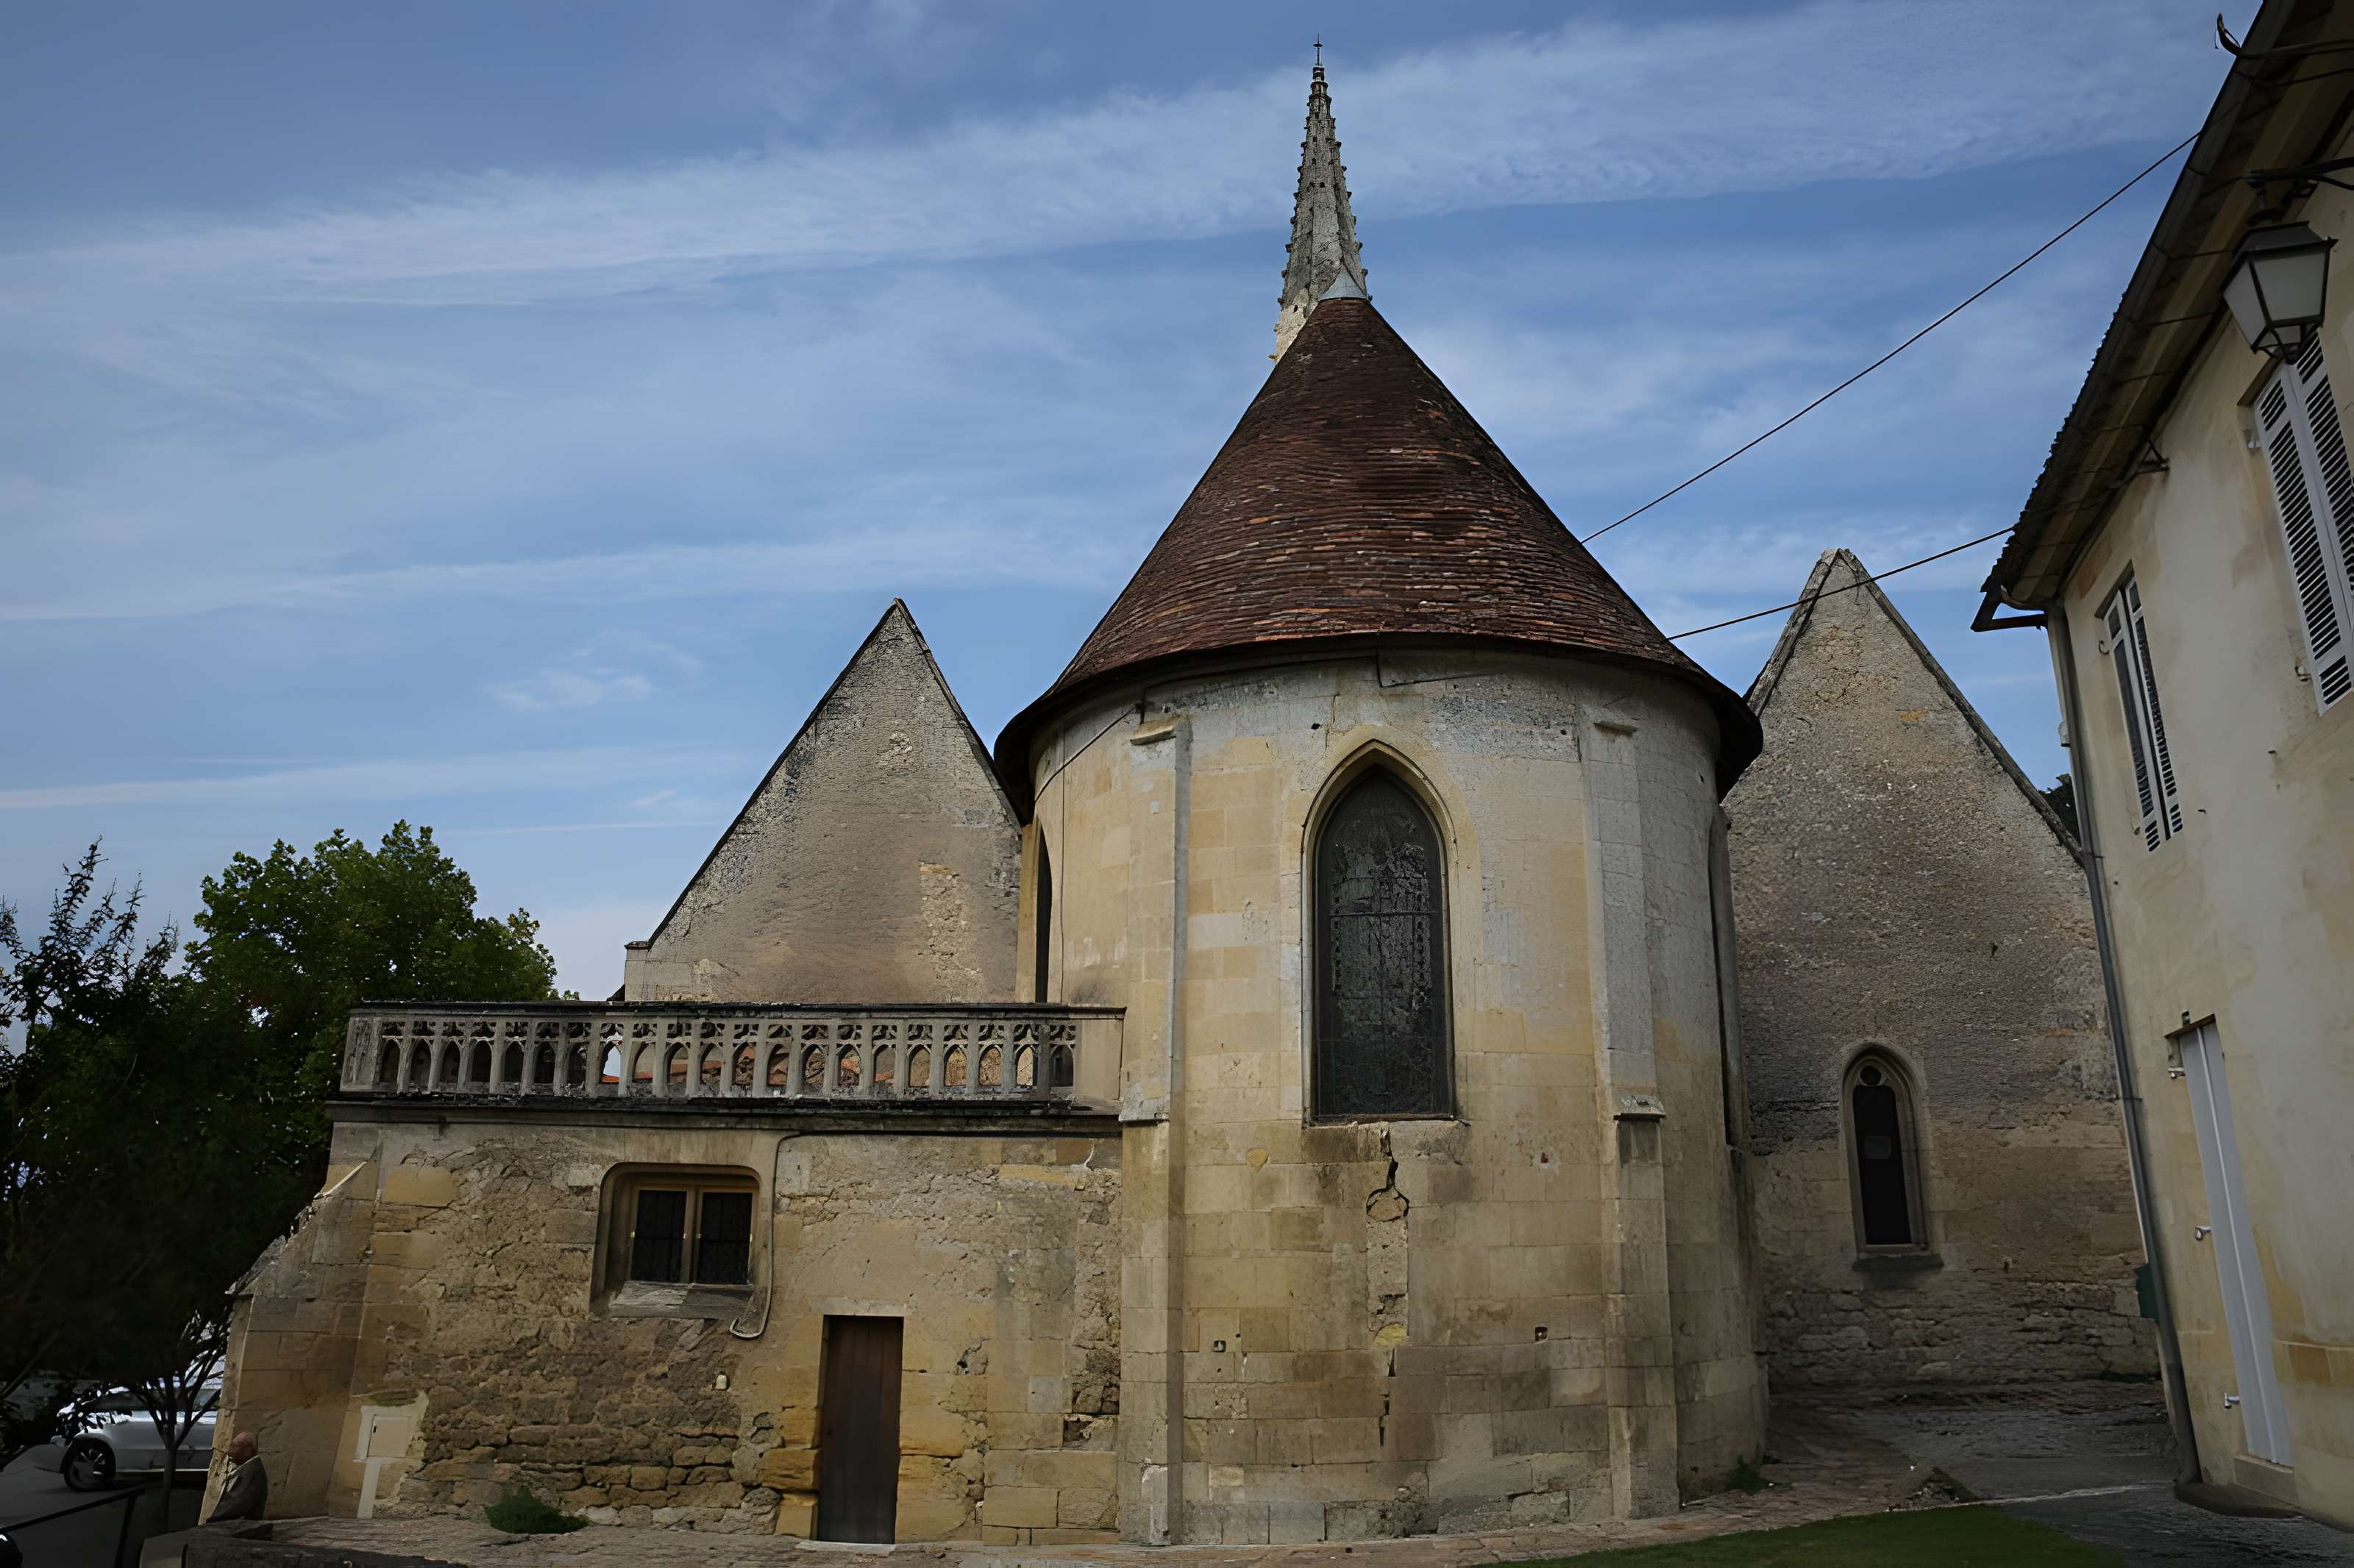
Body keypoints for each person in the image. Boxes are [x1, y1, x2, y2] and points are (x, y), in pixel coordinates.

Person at [206, 1432, 268, 1523]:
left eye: (235, 1447)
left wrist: (213, 1520)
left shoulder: (252, 1472)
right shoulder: (249, 1469)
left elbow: (236, 1504)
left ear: (248, 1451)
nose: (230, 1451)